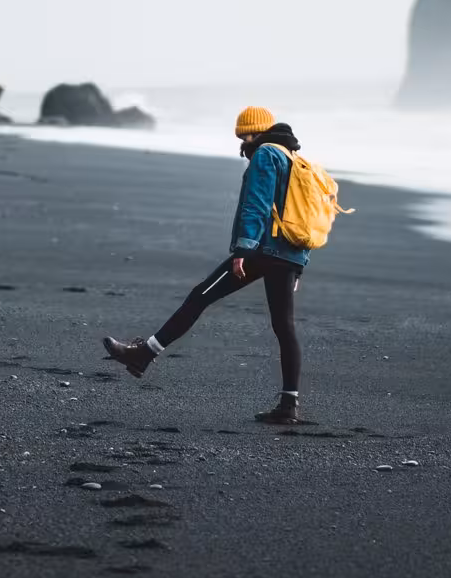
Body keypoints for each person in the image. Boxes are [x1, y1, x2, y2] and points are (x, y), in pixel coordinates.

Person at [103, 106, 310, 424]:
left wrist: (243, 250)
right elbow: (304, 214)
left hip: (262, 251)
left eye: (244, 135)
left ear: (253, 132)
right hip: (289, 253)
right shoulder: (292, 156)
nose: (243, 141)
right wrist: (300, 264)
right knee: (284, 326)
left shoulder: (266, 154)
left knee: (201, 295)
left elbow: (256, 204)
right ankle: (289, 405)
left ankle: (144, 354)